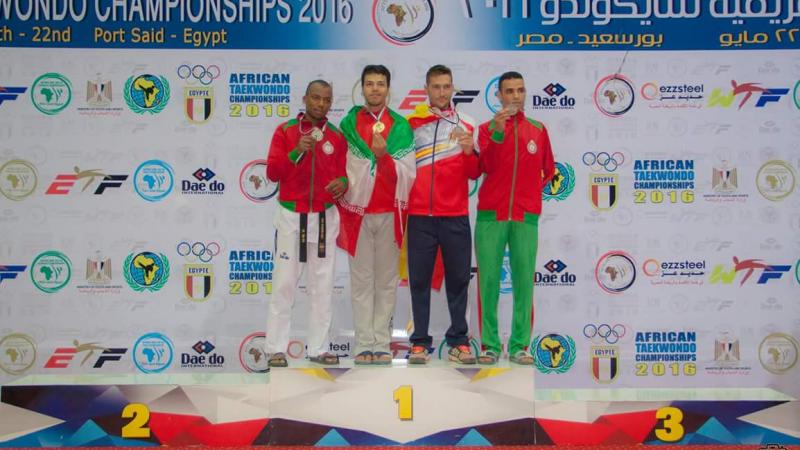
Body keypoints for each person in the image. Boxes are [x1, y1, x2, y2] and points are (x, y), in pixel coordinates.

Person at [265, 80, 348, 367]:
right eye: (315, 98)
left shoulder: (336, 137)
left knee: (322, 286)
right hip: (291, 216)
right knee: (284, 284)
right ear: (305, 99)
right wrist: (296, 151)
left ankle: (319, 348)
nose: (321, 104)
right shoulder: (286, 131)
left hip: (324, 217)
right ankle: (276, 348)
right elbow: (273, 173)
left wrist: (344, 182)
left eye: (326, 99)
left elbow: (342, 175)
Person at [475, 71, 556, 365]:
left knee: (524, 281)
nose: (515, 97)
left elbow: (548, 170)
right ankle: (490, 345)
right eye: (508, 91)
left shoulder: (538, 129)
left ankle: (521, 344)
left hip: (525, 216)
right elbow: (485, 165)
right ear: (498, 96)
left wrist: (529, 196)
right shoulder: (486, 129)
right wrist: (497, 132)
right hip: (490, 216)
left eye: (520, 90)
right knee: (488, 283)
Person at [337, 65, 416, 365]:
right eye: (369, 84)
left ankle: (382, 343)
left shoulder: (400, 126)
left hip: (390, 213)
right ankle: (363, 344)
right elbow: (343, 166)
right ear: (362, 87)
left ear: (388, 89)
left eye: (380, 84)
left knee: (385, 281)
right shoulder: (348, 123)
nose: (374, 89)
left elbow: (409, 174)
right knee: (361, 282)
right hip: (357, 213)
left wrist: (384, 158)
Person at [405, 65, 479, 365]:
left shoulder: (468, 124)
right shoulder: (411, 124)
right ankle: (419, 342)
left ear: (453, 88)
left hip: (456, 214)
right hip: (420, 214)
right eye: (436, 87)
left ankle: (459, 340)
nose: (442, 92)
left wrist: (468, 151)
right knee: (419, 281)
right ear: (426, 89)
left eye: (446, 86)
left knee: (459, 280)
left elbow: (475, 172)